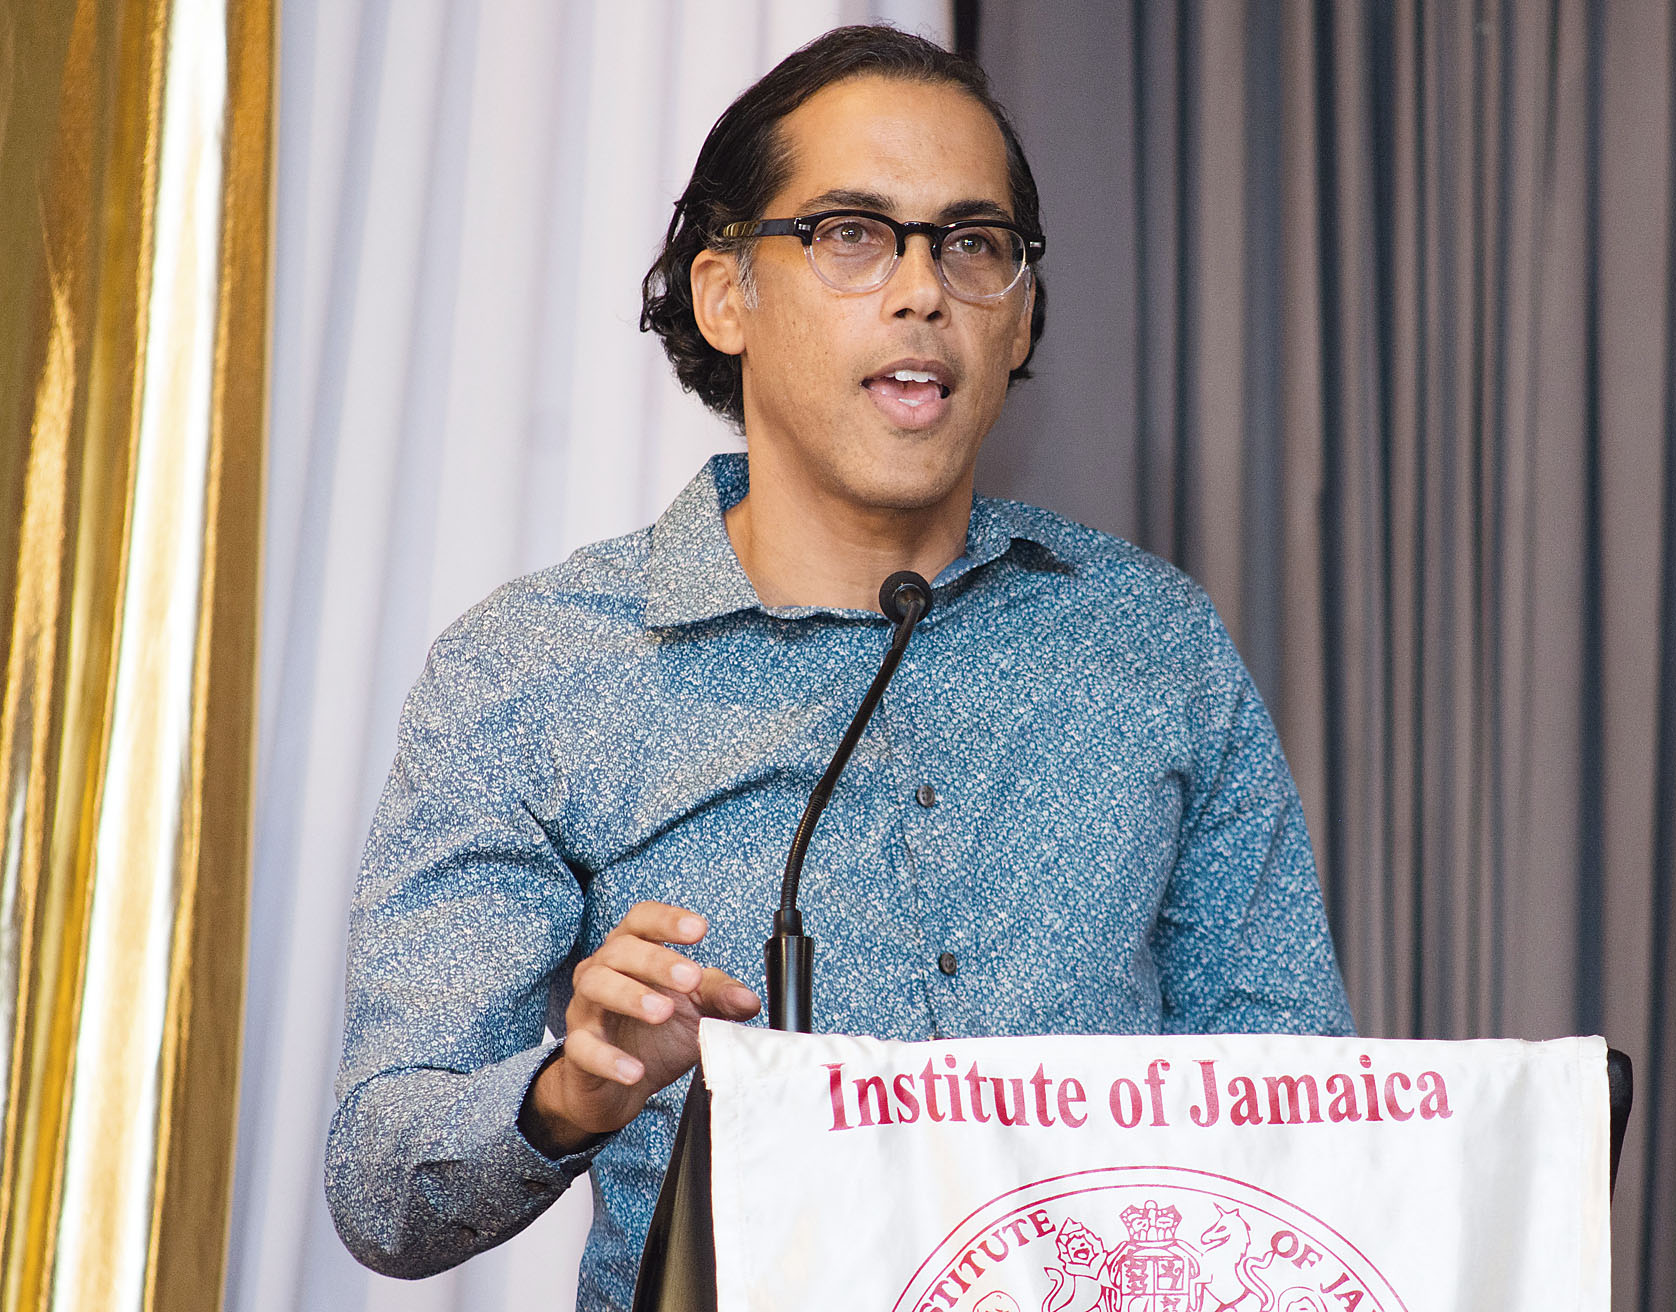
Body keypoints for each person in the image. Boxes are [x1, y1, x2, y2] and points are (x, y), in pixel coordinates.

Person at [325, 24, 1352, 1311]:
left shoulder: (1151, 642)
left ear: (1019, 312)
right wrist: (573, 1090)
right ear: (724, 294)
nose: (923, 290)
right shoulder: (534, 670)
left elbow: (1300, 1103)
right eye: (852, 234)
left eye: (972, 243)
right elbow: (383, 1189)